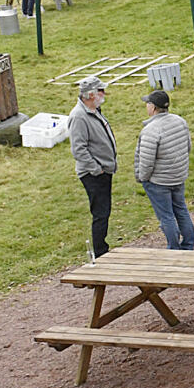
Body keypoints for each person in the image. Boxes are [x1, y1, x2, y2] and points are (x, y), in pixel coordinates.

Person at [65, 77, 119, 257]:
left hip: (103, 170)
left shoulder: (93, 110)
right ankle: (101, 253)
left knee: (104, 211)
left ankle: (102, 249)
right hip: (94, 174)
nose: (103, 94)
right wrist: (97, 169)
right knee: (101, 213)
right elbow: (78, 149)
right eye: (100, 91)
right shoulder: (79, 116)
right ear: (89, 95)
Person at [135, 86, 194, 249]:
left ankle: (174, 248)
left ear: (153, 107)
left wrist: (143, 178)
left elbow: (146, 162)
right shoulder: (180, 121)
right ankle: (189, 245)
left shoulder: (151, 131)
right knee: (181, 210)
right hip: (178, 177)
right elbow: (188, 147)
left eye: (147, 103)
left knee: (166, 216)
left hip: (159, 182)